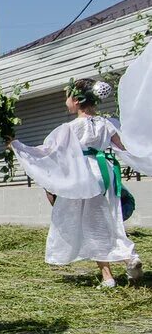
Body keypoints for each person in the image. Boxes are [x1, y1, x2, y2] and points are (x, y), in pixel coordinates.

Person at [11, 79, 142, 287]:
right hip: (105, 172)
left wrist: (18, 147)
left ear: (77, 100)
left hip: (84, 176)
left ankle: (120, 264)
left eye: (67, 97)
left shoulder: (69, 128)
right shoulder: (106, 123)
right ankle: (117, 266)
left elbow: (47, 151)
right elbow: (122, 147)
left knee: (92, 224)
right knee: (108, 218)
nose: (66, 102)